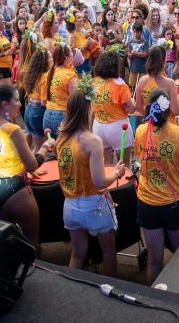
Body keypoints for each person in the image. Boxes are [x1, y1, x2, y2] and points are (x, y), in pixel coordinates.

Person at [57, 88, 126, 277]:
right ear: (88, 109)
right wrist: (116, 173)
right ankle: (110, 289)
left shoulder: (61, 138)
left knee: (77, 253)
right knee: (108, 251)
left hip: (70, 206)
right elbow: (100, 182)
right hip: (94, 205)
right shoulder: (92, 141)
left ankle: (69, 289)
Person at [134, 88, 179, 283]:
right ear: (169, 108)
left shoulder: (140, 131)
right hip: (174, 204)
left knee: (154, 261)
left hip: (148, 204)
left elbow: (140, 159)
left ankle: (154, 296)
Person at [0, 85, 55, 253]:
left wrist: (28, 169)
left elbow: (4, 158)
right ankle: (33, 268)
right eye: (16, 100)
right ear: (4, 104)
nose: (20, 104)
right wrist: (46, 145)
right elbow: (33, 164)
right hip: (14, 190)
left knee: (7, 240)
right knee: (31, 240)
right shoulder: (13, 130)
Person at [92, 50, 136, 166]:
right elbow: (131, 109)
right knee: (124, 165)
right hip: (118, 127)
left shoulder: (94, 82)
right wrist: (133, 102)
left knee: (106, 166)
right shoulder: (120, 85)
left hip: (98, 127)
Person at [134, 46, 179, 118]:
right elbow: (176, 112)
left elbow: (138, 106)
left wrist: (150, 117)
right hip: (167, 123)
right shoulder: (170, 83)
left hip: (150, 122)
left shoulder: (141, 81)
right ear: (164, 61)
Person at [43, 44, 77, 139]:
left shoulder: (51, 70)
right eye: (71, 51)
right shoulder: (69, 75)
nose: (73, 53)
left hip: (47, 116)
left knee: (52, 146)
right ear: (66, 58)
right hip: (61, 117)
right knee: (64, 147)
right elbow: (74, 101)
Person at [23, 47, 52, 151]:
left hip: (29, 110)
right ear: (45, 61)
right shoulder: (44, 77)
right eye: (50, 57)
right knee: (41, 149)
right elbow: (44, 102)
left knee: (37, 147)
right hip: (38, 113)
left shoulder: (33, 74)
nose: (52, 59)